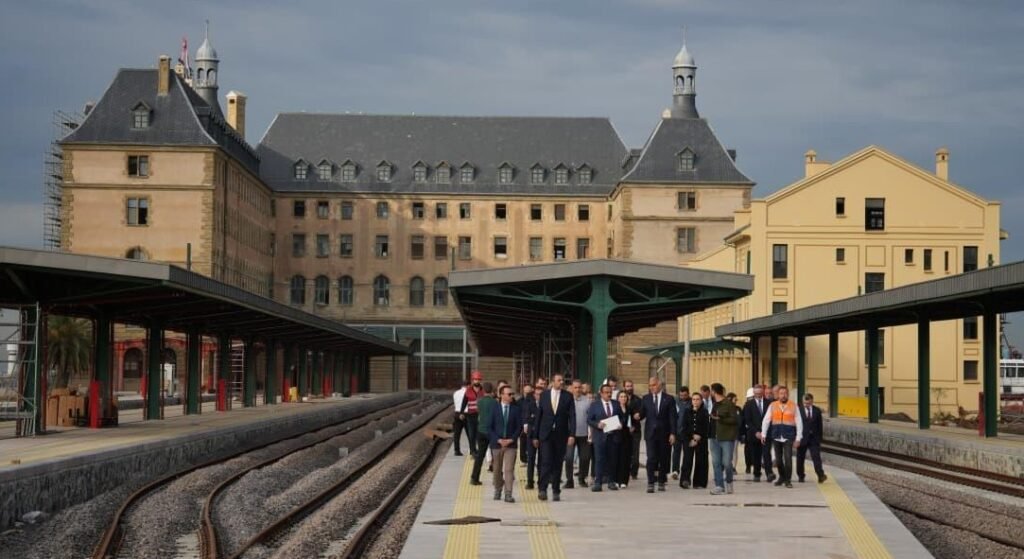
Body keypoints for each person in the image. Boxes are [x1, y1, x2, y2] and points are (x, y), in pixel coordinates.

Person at [532, 373, 576, 502]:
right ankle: (542, 489)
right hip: (546, 434)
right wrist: (535, 436)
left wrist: (572, 434)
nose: (561, 382)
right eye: (559, 380)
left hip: (561, 434)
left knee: (557, 463)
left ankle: (556, 490)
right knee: (545, 461)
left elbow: (572, 416)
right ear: (553, 381)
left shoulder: (568, 396)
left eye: (562, 380)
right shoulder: (544, 395)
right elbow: (539, 415)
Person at [636, 377, 677, 493]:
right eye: (650, 385)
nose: (651, 387)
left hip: (664, 433)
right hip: (651, 434)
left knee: (663, 458)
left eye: (653, 385)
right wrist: (638, 416)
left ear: (660, 385)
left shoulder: (669, 399)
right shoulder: (646, 398)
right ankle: (650, 482)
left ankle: (661, 481)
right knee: (651, 458)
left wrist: (673, 433)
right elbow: (643, 413)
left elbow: (672, 417)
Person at [759, 385, 803, 488]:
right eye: (781, 393)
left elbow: (799, 422)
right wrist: (763, 434)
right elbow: (766, 420)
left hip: (788, 436)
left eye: (785, 393)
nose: (783, 395)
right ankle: (782, 477)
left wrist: (798, 438)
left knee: (788, 458)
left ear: (788, 394)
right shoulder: (772, 405)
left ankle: (788, 480)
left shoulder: (794, 406)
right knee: (778, 460)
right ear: (778, 395)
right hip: (776, 435)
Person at [486, 385, 521, 502]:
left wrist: (512, 439)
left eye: (512, 394)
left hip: (511, 444)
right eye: (509, 394)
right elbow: (489, 427)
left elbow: (519, 427)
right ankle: (498, 489)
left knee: (509, 469)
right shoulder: (494, 409)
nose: (512, 396)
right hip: (497, 444)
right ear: (502, 395)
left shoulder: (516, 409)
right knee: (497, 469)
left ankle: (508, 493)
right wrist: (498, 439)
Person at [586, 384, 623, 492]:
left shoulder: (616, 404)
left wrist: (621, 423)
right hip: (600, 436)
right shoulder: (595, 405)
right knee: (599, 460)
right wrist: (597, 424)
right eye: (606, 392)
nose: (609, 394)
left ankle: (611, 481)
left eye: (610, 392)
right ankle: (598, 482)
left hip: (613, 436)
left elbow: (622, 417)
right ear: (601, 393)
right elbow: (589, 420)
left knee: (612, 459)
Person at [708, 382, 739, 495]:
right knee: (716, 462)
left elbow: (735, 420)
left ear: (714, 391)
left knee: (726, 462)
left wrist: (720, 419)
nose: (710, 393)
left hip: (726, 437)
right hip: (713, 436)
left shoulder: (728, 404)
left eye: (711, 391)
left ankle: (729, 482)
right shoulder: (712, 403)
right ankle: (719, 486)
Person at [565, 380, 592, 489]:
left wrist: (591, 433)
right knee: (569, 458)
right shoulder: (567, 401)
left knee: (585, 458)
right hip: (570, 435)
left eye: (579, 387)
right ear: (571, 388)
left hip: (584, 434)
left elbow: (591, 417)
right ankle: (569, 480)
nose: (578, 390)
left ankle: (582, 478)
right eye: (575, 387)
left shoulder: (588, 401)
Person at [678, 393, 709, 489]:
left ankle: (699, 482)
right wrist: (692, 436)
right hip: (688, 439)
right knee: (687, 459)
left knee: (701, 460)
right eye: (694, 399)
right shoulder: (687, 411)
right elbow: (684, 426)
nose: (695, 401)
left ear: (701, 401)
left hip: (701, 439)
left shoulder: (704, 412)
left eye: (698, 399)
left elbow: (706, 426)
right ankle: (685, 480)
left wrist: (698, 437)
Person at [742, 385, 771, 481]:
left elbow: (771, 419)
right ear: (754, 393)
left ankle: (769, 473)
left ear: (763, 393)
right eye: (756, 393)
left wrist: (764, 432)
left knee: (766, 454)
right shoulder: (748, 405)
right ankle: (757, 473)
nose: (758, 395)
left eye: (760, 393)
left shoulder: (769, 403)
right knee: (756, 455)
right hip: (754, 434)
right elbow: (747, 420)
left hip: (766, 434)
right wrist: (756, 432)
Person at [797, 393, 827, 484]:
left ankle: (820, 475)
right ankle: (801, 476)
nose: (806, 405)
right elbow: (795, 425)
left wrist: (820, 439)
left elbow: (820, 425)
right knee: (800, 458)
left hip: (814, 439)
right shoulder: (798, 410)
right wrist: (796, 438)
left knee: (816, 457)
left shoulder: (817, 411)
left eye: (808, 403)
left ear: (812, 401)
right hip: (802, 438)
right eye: (805, 403)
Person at [470, 382, 496, 485]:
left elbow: (478, 412)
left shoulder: (479, 402)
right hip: (492, 431)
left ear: (483, 390)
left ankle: (474, 478)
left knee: (480, 456)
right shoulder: (495, 403)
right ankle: (497, 478)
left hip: (481, 430)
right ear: (492, 390)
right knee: (496, 455)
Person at [521, 383, 541, 490]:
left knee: (542, 459)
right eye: (537, 394)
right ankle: (530, 481)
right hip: (531, 435)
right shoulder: (530, 405)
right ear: (534, 395)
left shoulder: (545, 405)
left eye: (540, 394)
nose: (538, 396)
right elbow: (528, 419)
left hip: (542, 436)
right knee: (531, 459)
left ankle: (541, 481)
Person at [621, 379, 642, 480]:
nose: (629, 388)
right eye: (627, 386)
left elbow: (641, 413)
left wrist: (638, 417)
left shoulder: (637, 400)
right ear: (624, 387)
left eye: (631, 386)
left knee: (635, 452)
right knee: (625, 451)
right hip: (623, 430)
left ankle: (634, 472)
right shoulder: (620, 400)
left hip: (635, 430)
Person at [614, 390, 635, 488]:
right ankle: (616, 479)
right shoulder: (615, 408)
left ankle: (624, 481)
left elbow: (633, 421)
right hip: (617, 435)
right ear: (618, 398)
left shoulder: (629, 408)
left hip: (627, 436)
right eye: (621, 396)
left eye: (625, 397)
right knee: (617, 458)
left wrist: (633, 427)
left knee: (626, 459)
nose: (623, 398)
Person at [671, 386, 691, 480]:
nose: (682, 397)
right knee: (676, 452)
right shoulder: (675, 401)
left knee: (687, 453)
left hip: (687, 432)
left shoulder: (691, 402)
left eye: (685, 395)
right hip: (677, 431)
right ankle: (675, 470)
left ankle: (685, 471)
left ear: (688, 394)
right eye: (681, 395)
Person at [465, 371, 485, 458]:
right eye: (475, 379)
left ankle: (479, 450)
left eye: (478, 379)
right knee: (471, 434)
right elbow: (464, 401)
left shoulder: (483, 391)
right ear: (473, 380)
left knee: (479, 434)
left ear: (480, 380)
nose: (476, 381)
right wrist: (462, 412)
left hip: (480, 415)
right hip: (470, 415)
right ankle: (472, 451)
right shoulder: (468, 390)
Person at [452, 381, 470, 456]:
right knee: (470, 433)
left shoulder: (455, 393)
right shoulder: (469, 393)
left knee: (457, 433)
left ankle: (457, 450)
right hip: (466, 414)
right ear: (468, 385)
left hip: (457, 413)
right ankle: (472, 449)